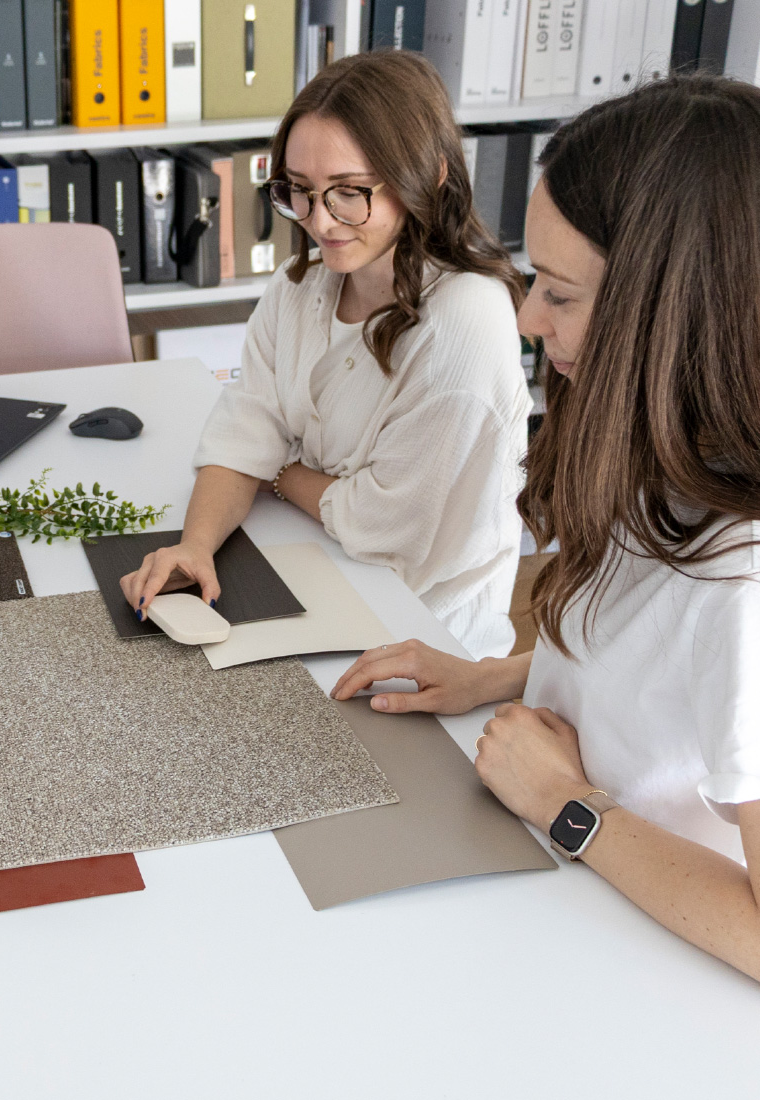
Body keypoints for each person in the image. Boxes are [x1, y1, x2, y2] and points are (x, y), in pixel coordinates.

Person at [333, 74, 760, 980]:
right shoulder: (671, 458)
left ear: (672, 322)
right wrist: (492, 674)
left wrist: (570, 804)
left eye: (560, 296)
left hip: (644, 958)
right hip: (569, 891)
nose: (527, 318)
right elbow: (663, 670)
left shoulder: (745, 584)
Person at [120, 51, 531, 659]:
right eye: (301, 192)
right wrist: (196, 545)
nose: (320, 221)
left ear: (430, 175)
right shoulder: (299, 282)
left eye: (349, 192)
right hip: (320, 570)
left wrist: (282, 475)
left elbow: (383, 526)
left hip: (425, 634)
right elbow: (247, 427)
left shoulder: (466, 321)